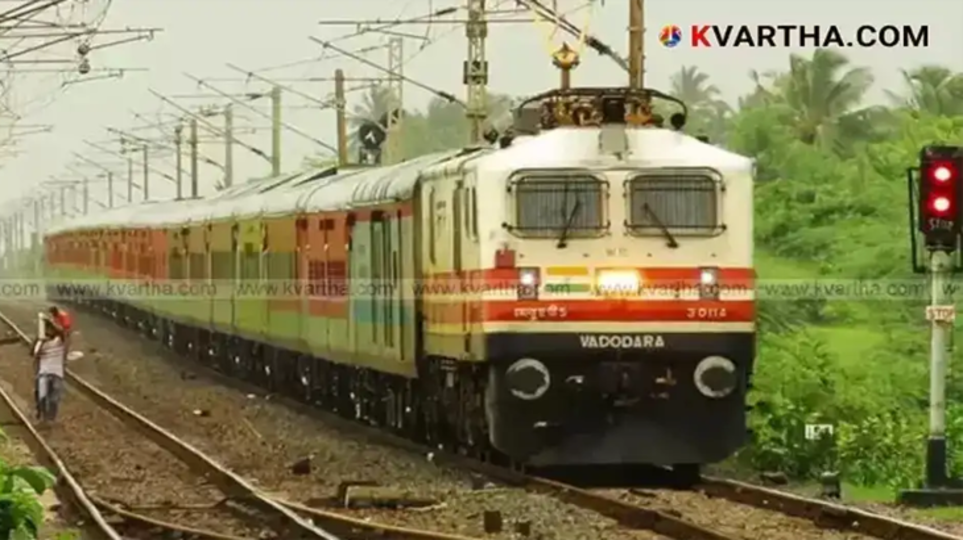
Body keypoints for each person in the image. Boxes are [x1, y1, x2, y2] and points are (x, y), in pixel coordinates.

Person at [33, 318, 66, 424]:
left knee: (54, 399)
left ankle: (51, 418)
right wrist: (40, 341)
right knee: (42, 396)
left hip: (57, 373)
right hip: (43, 373)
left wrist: (50, 322)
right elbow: (34, 354)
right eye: (47, 329)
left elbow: (62, 332)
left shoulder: (59, 340)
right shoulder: (40, 342)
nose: (49, 331)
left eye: (50, 328)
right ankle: (43, 417)